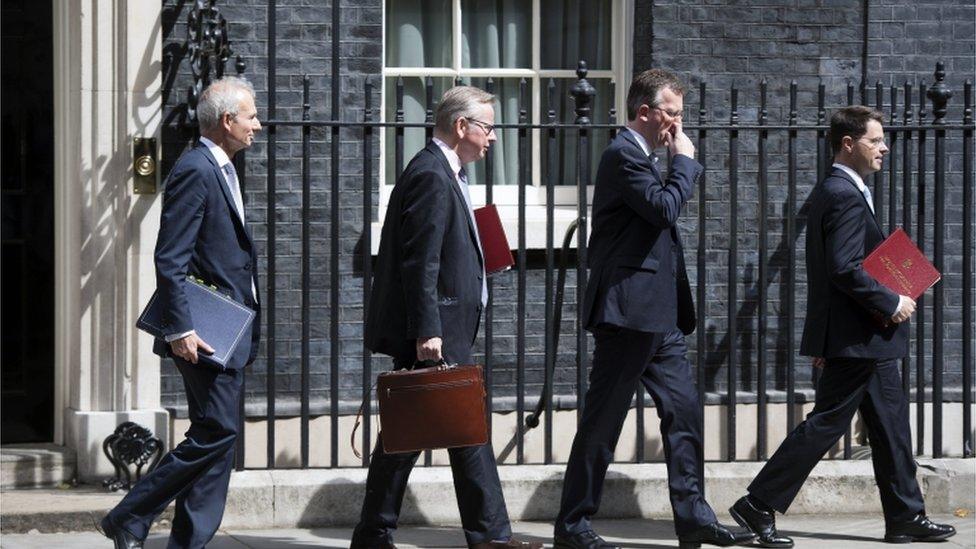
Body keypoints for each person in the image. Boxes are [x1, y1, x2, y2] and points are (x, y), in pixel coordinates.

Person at [728, 106, 956, 547]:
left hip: (865, 337)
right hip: (860, 336)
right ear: (848, 144)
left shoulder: (843, 190)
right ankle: (758, 503)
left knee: (890, 427)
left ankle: (906, 515)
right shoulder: (843, 193)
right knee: (827, 424)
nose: (884, 147)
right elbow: (844, 268)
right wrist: (891, 301)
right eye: (875, 140)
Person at [553, 69, 754, 549]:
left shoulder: (642, 157)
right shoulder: (624, 155)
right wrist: (684, 163)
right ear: (645, 112)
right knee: (603, 421)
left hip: (658, 315)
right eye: (673, 114)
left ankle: (693, 517)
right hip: (626, 314)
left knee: (684, 413)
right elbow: (664, 209)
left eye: (681, 116)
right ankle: (573, 525)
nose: (678, 126)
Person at [351, 86, 541, 549]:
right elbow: (420, 261)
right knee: (460, 427)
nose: (493, 138)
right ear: (461, 127)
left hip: (444, 325)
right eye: (487, 128)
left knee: (412, 434)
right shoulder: (432, 175)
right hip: (436, 329)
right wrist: (428, 330)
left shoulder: (442, 171)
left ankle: (374, 533)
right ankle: (490, 536)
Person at [99, 76, 262, 549]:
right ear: (228, 120)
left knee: (219, 440)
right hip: (204, 332)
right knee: (217, 430)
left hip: (229, 328)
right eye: (251, 116)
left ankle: (186, 541)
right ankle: (130, 515)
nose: (258, 124)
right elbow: (170, 256)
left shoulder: (225, 169)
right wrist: (181, 328)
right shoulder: (197, 168)